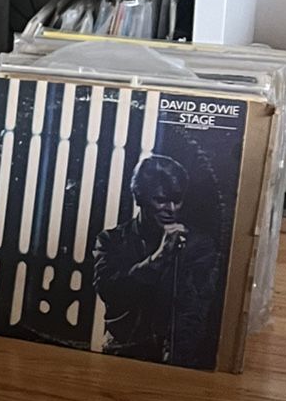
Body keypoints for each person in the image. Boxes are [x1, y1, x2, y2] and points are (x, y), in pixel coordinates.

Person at [92, 154, 221, 367]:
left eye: (177, 200)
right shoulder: (110, 241)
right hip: (120, 354)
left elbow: (196, 310)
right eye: (161, 200)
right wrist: (160, 257)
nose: (171, 208)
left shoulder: (199, 245)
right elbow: (110, 291)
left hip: (176, 360)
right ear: (139, 198)